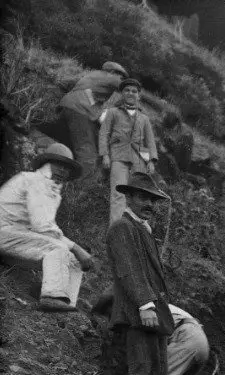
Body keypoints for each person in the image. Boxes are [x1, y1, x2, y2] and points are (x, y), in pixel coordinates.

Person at [105, 173, 174, 375]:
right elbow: (128, 269)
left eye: (153, 199)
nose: (150, 204)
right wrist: (145, 305)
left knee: (158, 369)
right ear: (129, 197)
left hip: (153, 312)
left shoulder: (142, 229)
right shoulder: (122, 228)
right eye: (144, 197)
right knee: (143, 368)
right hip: (139, 312)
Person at [0, 143, 98, 312]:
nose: (63, 171)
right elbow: (43, 227)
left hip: (16, 240)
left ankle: (65, 304)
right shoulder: (35, 180)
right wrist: (77, 248)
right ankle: (51, 296)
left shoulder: (52, 191)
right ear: (46, 164)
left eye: (67, 168)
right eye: (58, 165)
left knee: (74, 261)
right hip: (5, 234)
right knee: (58, 248)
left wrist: (75, 252)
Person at [99, 78, 157, 226]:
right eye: (127, 90)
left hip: (139, 159)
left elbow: (150, 141)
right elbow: (104, 133)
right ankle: (117, 228)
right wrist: (105, 154)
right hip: (118, 156)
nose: (131, 93)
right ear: (121, 93)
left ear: (139, 95)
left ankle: (141, 228)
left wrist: (151, 160)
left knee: (140, 194)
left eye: (134, 91)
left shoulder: (144, 118)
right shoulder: (113, 112)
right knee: (119, 194)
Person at [58, 61, 128, 179]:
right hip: (80, 111)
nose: (121, 79)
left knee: (85, 142)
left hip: (66, 107)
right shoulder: (112, 77)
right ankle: (75, 188)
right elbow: (130, 90)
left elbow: (64, 83)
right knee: (88, 157)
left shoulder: (91, 75)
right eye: (121, 76)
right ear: (113, 72)